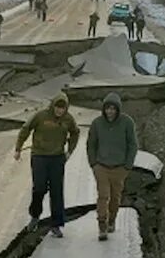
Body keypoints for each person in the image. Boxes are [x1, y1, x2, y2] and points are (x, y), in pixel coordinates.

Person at [15, 92, 80, 238]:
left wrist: (70, 151)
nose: (59, 110)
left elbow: (75, 133)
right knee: (39, 188)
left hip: (57, 159)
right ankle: (35, 216)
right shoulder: (41, 116)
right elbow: (26, 129)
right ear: (53, 106)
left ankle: (56, 224)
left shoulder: (68, 119)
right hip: (39, 157)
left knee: (56, 192)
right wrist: (18, 148)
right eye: (57, 107)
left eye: (62, 108)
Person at [86, 93, 138, 241]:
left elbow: (132, 145)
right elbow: (91, 145)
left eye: (113, 109)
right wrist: (93, 164)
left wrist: (127, 166)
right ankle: (102, 225)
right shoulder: (97, 123)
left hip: (119, 168)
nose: (110, 111)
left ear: (118, 109)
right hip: (101, 167)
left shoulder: (127, 123)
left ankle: (111, 220)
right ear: (104, 109)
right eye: (107, 108)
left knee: (115, 197)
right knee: (103, 195)